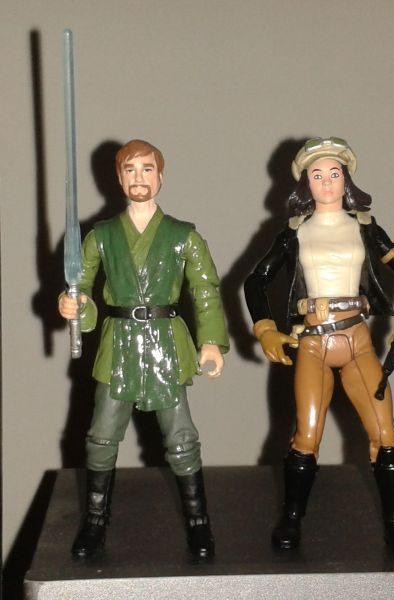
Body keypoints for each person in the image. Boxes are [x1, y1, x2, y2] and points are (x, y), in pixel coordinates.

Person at [244, 137, 394, 559]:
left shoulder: (365, 227)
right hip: (312, 342)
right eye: (317, 175)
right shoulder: (294, 232)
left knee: (385, 434)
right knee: (306, 436)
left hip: (357, 339)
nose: (326, 182)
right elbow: (256, 281)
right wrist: (266, 329)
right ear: (306, 183)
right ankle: (292, 518)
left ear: (346, 179)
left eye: (334, 174)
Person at [59, 139, 229, 559]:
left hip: (164, 344)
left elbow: (205, 290)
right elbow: (82, 286)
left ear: (161, 176)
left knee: (181, 437)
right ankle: (95, 520)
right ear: (119, 178)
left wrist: (210, 341)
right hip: (118, 345)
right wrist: (74, 304)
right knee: (101, 436)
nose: (139, 178)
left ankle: (198, 521)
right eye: (130, 170)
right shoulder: (101, 236)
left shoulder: (183, 236)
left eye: (147, 169)